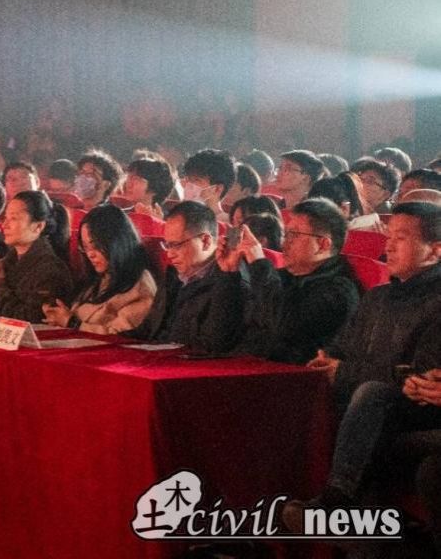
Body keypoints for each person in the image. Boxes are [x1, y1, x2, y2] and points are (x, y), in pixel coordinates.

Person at [283, 202, 441, 531]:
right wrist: (328, 359)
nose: (389, 246)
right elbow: (341, 347)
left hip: (412, 410)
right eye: (389, 236)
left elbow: (416, 380)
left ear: (435, 250)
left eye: (401, 238)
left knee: (373, 395)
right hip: (363, 402)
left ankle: (337, 499)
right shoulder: (378, 297)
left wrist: (343, 372)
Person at [223, 198, 360, 363]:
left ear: (323, 244)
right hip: (249, 363)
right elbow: (223, 333)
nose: (284, 243)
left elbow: (283, 329)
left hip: (292, 373)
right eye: (286, 234)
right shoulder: (282, 276)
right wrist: (229, 274)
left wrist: (259, 263)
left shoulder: (339, 290)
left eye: (294, 235)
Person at [137, 201, 248, 352]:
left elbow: (214, 344)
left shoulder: (230, 280)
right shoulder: (174, 275)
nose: (169, 254)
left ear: (205, 241)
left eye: (176, 245)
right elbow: (148, 329)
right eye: (167, 245)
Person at [43, 204, 155, 334]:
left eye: (96, 246)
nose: (90, 254)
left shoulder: (139, 287)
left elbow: (122, 337)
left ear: (117, 242)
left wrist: (71, 323)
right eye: (85, 247)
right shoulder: (99, 279)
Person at [0, 191, 73, 323]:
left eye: (13, 218)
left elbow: (32, 318)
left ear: (38, 226)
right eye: (5, 218)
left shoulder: (51, 270)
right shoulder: (7, 261)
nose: (4, 225)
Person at [180, 148, 237, 223]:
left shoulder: (229, 224)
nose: (189, 185)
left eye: (197, 180)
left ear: (217, 189)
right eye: (188, 179)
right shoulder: (177, 217)